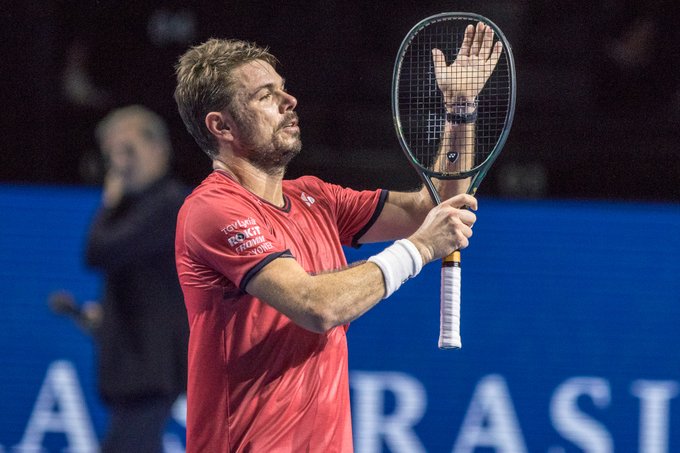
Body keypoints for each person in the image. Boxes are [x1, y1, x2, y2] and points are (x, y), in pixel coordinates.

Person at [174, 23, 499, 452]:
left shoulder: (315, 197)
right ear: (222, 126)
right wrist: (420, 248)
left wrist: (460, 110)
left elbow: (433, 208)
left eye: (283, 89)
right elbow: (317, 306)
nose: (289, 102)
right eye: (265, 95)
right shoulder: (212, 210)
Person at [84, 105, 190, 453]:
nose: (119, 163)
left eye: (128, 150)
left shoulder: (170, 203)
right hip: (134, 367)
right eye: (111, 153)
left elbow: (98, 252)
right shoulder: (138, 206)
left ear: (159, 148)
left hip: (150, 368)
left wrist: (110, 199)